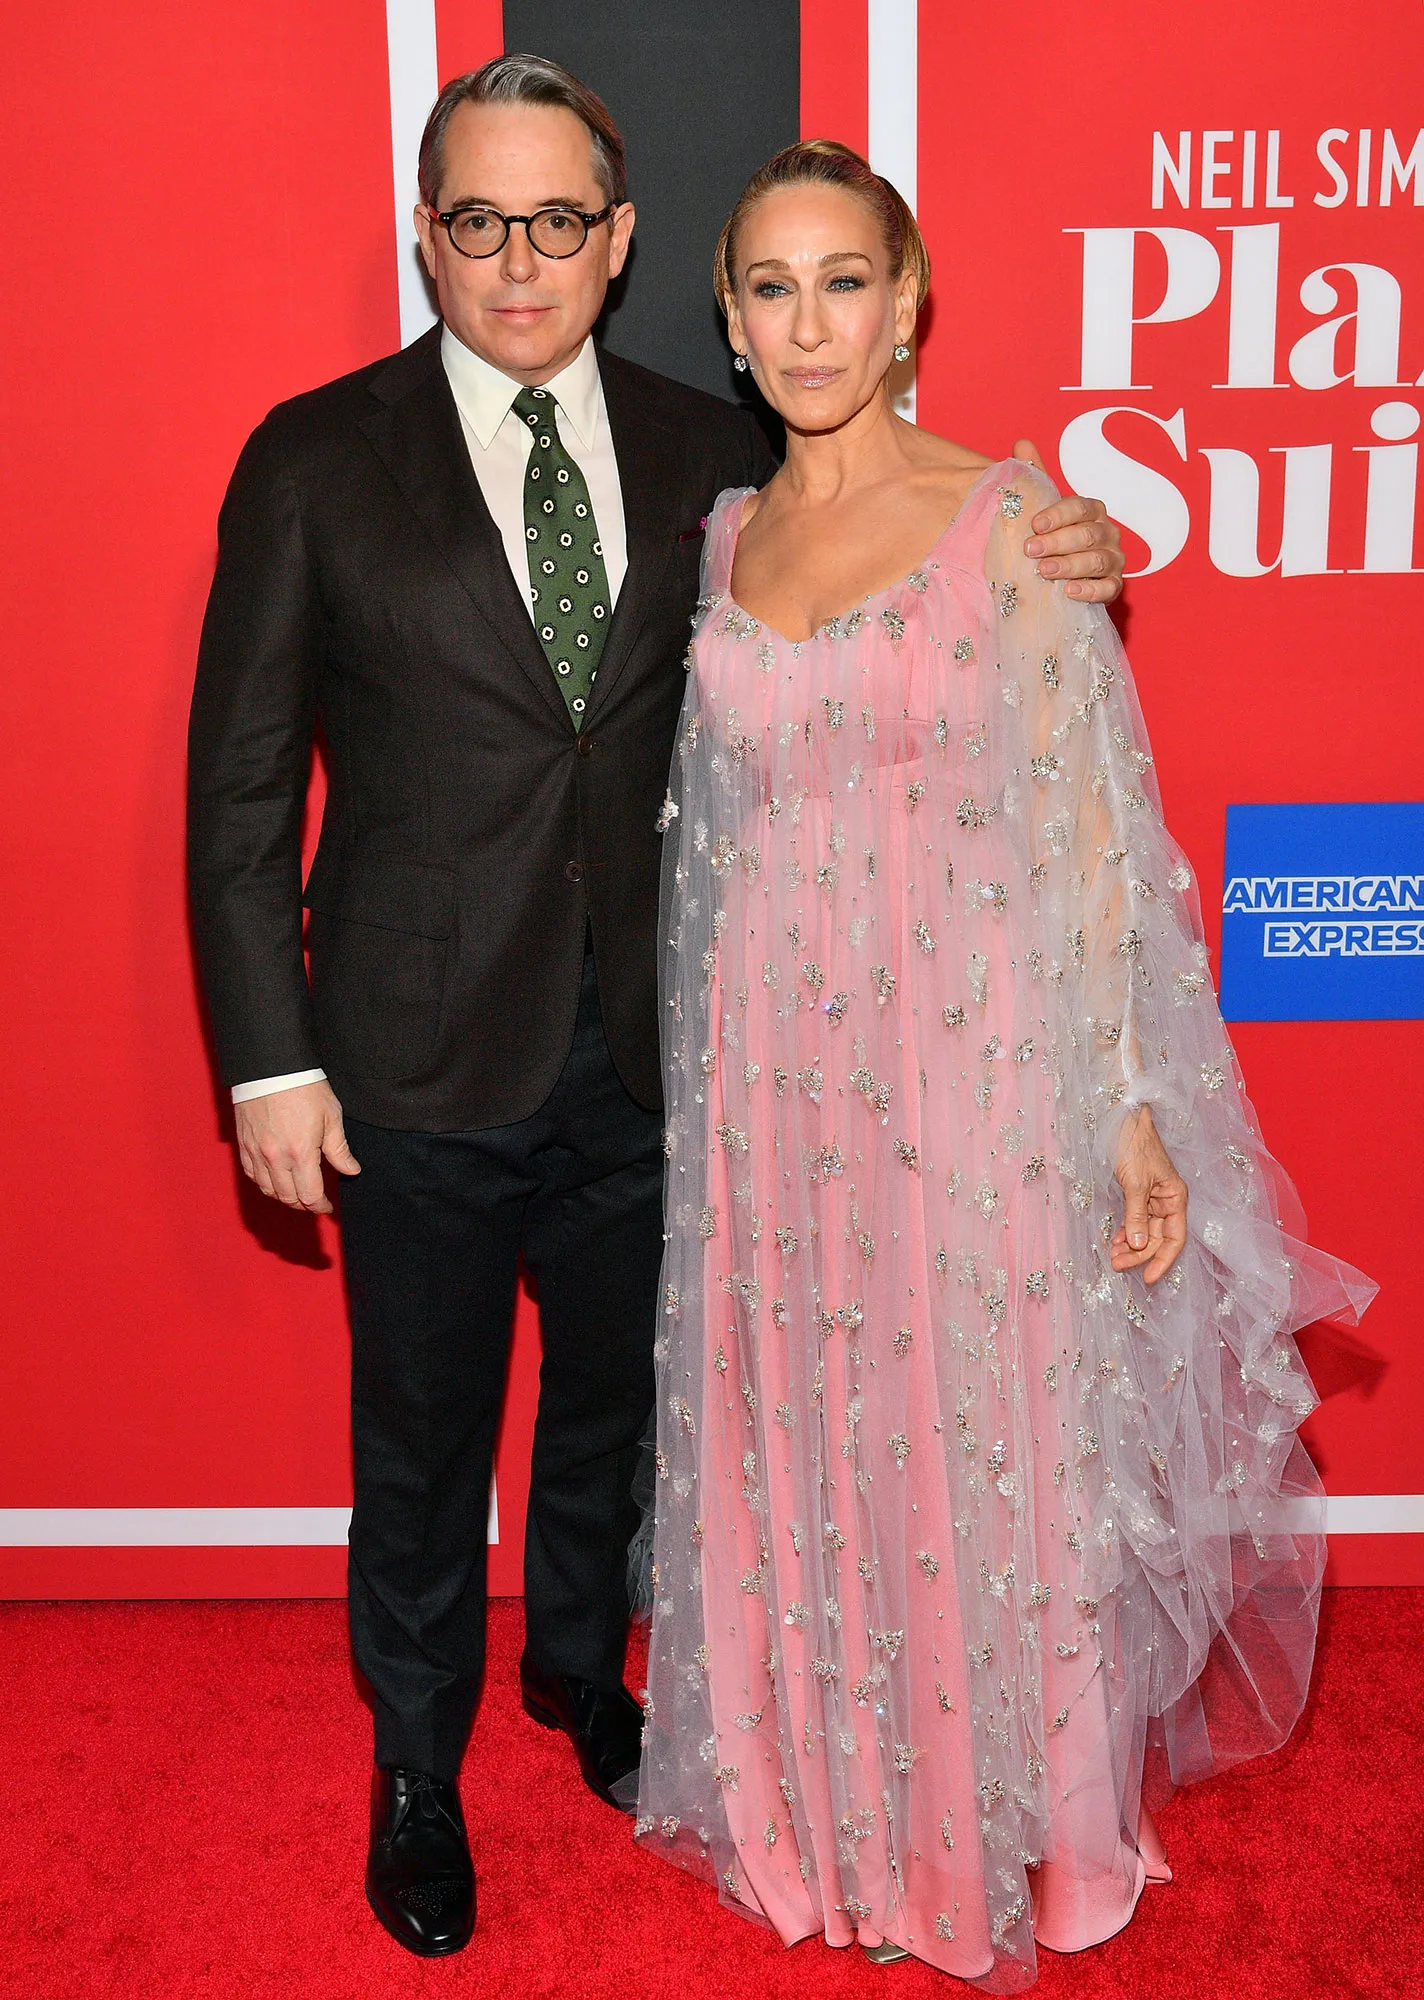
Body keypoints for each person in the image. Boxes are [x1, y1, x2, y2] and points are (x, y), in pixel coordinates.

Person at [186, 59, 1126, 1959]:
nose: (518, 258)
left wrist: (1073, 540)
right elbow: (242, 784)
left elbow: (909, 575)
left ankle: (582, 1679)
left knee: (620, 1419)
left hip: (667, 1055)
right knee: (422, 1442)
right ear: (427, 233)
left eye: (558, 219)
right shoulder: (313, 456)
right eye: (479, 218)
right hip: (414, 1054)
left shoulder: (718, 455)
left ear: (618, 243)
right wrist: (268, 1059)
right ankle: (417, 1769)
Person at [636, 140, 1375, 1985]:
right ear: (730, 317)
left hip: (966, 1067)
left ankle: (988, 1823)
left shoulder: (1014, 521)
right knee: (809, 1421)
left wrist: (1128, 1109)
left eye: (845, 281)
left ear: (910, 304)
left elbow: (1095, 832)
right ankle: (824, 1802)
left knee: (978, 1434)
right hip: (773, 1080)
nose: (812, 322)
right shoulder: (725, 535)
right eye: (773, 287)